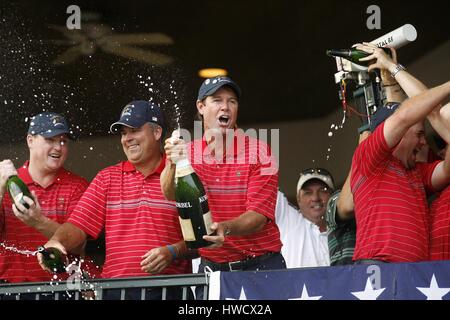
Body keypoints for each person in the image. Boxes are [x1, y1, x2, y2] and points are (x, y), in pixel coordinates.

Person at [38, 101, 193, 300]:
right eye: (123, 133)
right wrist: (57, 242)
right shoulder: (107, 178)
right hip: (116, 291)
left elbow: (202, 239)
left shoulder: (182, 174)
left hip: (169, 291)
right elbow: (78, 226)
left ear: (156, 133)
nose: (127, 139)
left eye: (134, 130)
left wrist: (173, 252)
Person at [161, 76, 285, 279]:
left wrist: (225, 228)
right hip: (212, 268)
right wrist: (173, 162)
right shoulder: (188, 152)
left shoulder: (260, 151)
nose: (225, 107)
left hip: (262, 265)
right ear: (201, 107)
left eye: (232, 101)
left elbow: (259, 217)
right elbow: (170, 194)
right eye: (217, 100)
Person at [349, 43, 450, 263]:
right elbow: (405, 116)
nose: (425, 143)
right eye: (420, 134)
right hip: (377, 272)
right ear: (399, 134)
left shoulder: (417, 173)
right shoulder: (368, 158)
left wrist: (393, 70)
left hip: (415, 278)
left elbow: (436, 117)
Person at [0, 112, 95, 288]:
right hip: (9, 289)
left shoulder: (78, 186)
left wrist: (38, 221)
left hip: (61, 289)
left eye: (63, 141)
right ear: (30, 140)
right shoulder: (7, 181)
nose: (58, 147)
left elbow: (78, 245)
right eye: (50, 139)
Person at [276, 168, 334, 268]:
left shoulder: (343, 233)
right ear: (298, 198)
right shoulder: (288, 219)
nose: (315, 198)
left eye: (322, 191)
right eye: (308, 192)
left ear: (332, 196)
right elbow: (264, 184)